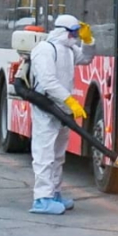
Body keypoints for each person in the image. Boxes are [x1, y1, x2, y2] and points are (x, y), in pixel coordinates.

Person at [29, 14, 95, 215]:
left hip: (63, 110)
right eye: (74, 33)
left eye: (77, 33)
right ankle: (41, 198)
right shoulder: (44, 50)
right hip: (46, 108)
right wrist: (69, 100)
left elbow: (86, 59)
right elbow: (47, 81)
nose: (75, 36)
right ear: (62, 31)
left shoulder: (68, 49)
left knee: (58, 155)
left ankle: (54, 193)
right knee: (44, 154)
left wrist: (89, 41)